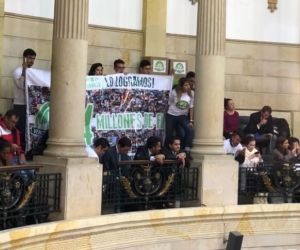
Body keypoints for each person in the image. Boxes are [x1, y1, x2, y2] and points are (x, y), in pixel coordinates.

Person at [164, 77, 194, 160]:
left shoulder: (191, 93)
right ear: (181, 86)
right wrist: (165, 113)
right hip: (172, 115)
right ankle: (165, 151)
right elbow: (170, 103)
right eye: (186, 85)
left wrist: (191, 120)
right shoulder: (174, 92)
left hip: (183, 116)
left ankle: (186, 150)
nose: (188, 87)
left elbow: (191, 107)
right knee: (169, 134)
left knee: (190, 130)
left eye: (188, 85)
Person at [13, 48, 36, 151]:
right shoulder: (17, 71)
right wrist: (24, 70)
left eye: (33, 58)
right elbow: (21, 86)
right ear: (24, 58)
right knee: (20, 129)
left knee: (28, 130)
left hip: (30, 105)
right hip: (20, 104)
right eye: (30, 58)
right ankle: (19, 151)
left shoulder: (33, 72)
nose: (32, 60)